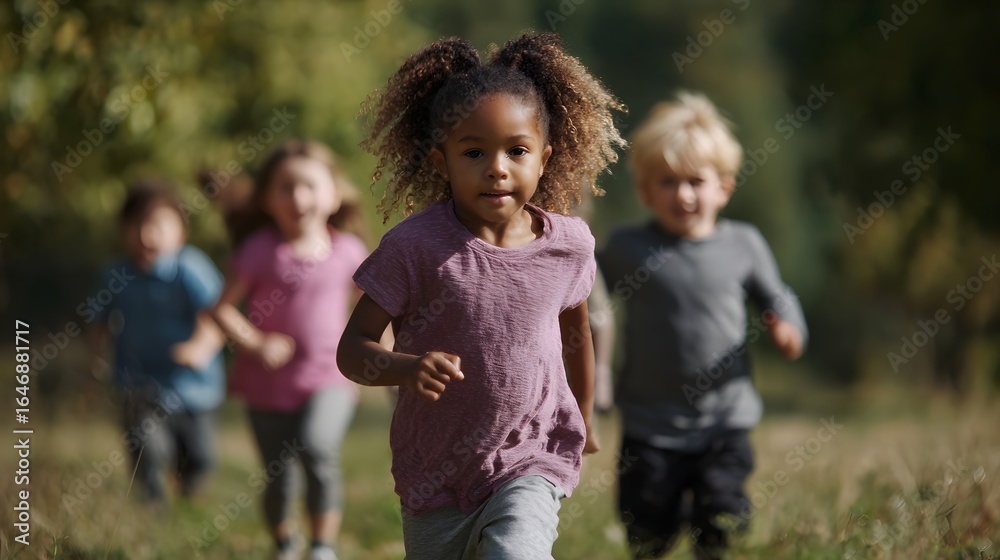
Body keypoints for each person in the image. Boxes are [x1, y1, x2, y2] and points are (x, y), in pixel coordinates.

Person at [337, 32, 626, 559]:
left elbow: (575, 333)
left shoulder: (568, 246)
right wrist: (404, 367)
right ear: (439, 162)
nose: (497, 167)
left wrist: (583, 415)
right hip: (435, 474)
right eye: (474, 152)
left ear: (545, 157)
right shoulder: (414, 248)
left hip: (531, 458)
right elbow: (352, 349)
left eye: (517, 151)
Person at [599, 92, 808, 560]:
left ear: (724, 188)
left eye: (696, 181)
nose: (684, 194)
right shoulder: (627, 247)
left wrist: (788, 328)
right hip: (650, 423)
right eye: (667, 182)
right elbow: (585, 290)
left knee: (722, 515)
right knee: (646, 529)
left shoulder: (743, 244)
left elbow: (778, 296)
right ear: (645, 191)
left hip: (723, 420)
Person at [211, 140, 369, 560]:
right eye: (285, 187)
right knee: (278, 477)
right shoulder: (260, 251)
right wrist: (256, 342)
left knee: (318, 448)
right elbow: (224, 310)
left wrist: (390, 365)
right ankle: (285, 544)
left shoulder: (349, 252)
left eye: (309, 186)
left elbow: (377, 313)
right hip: (266, 385)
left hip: (330, 377)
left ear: (334, 193)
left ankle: (322, 547)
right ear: (266, 198)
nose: (298, 198)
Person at [91, 180, 226, 505]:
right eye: (136, 225)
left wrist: (201, 347)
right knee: (147, 449)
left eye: (157, 225)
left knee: (200, 456)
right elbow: (98, 321)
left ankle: (191, 495)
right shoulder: (116, 275)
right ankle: (152, 508)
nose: (146, 235)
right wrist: (95, 360)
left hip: (194, 387)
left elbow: (218, 316)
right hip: (139, 382)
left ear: (181, 230)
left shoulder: (190, 268)